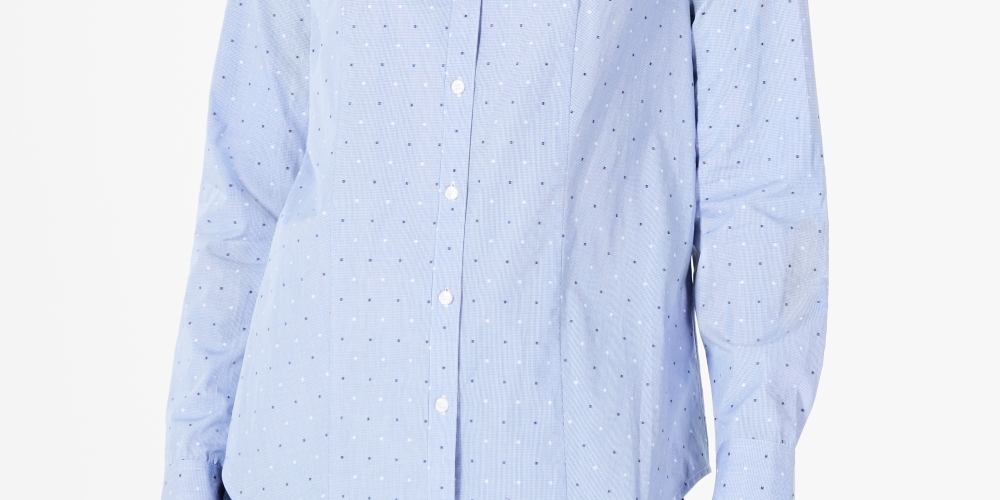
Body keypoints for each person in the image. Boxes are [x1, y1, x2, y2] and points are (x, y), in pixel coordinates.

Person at [160, 1, 829, 499]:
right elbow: (247, 188)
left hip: (573, 464)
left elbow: (758, 199)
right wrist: (190, 466)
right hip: (316, 459)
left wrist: (757, 473)